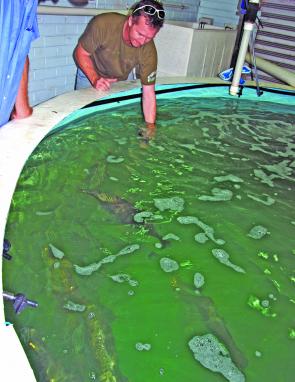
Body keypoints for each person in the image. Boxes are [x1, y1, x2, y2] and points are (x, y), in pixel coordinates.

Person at [73, 0, 165, 136]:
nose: (142, 42)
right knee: (82, 124)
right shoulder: (103, 24)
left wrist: (150, 128)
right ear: (130, 21)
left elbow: (149, 93)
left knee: (112, 123)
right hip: (90, 73)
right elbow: (80, 53)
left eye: (149, 38)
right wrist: (95, 78)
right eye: (140, 34)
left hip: (119, 79)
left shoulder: (148, 49)